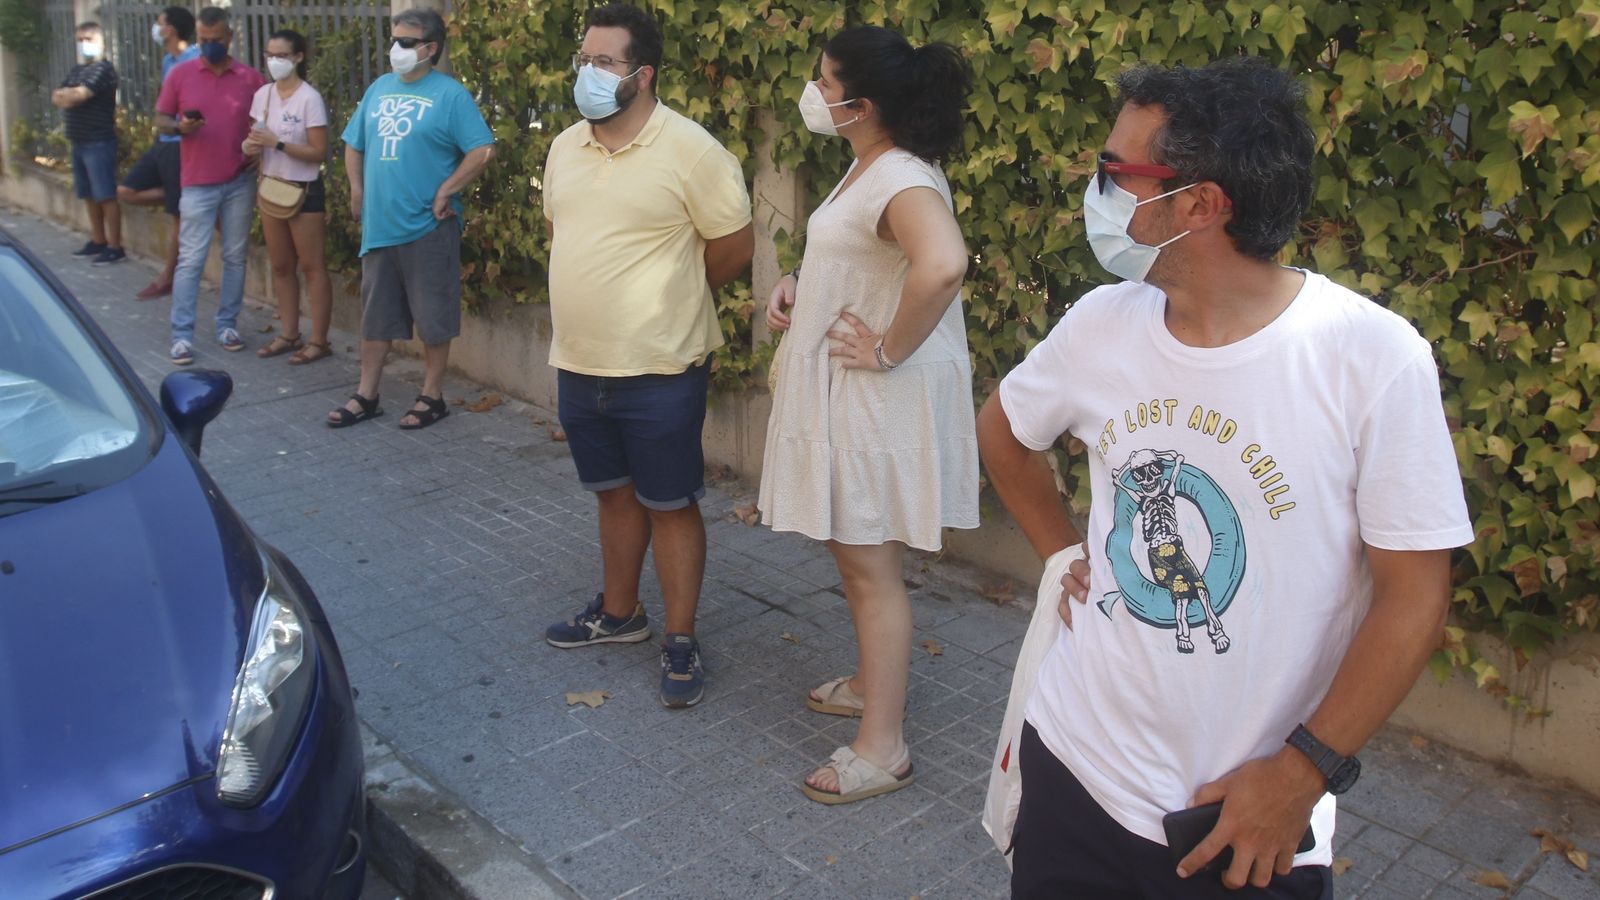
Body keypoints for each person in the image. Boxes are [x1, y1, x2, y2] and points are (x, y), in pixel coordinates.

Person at [976, 59, 1473, 898]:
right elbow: (1004, 431)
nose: (1097, 193)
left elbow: (1415, 598)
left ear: (1201, 204)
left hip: (1243, 826)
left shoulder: (1372, 360)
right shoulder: (1101, 325)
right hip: (1073, 769)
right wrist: (1065, 556)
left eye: (1115, 173)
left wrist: (1302, 774)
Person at [758, 26, 976, 803]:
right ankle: (867, 684)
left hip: (876, 400)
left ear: (864, 103)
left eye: (823, 81)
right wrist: (799, 280)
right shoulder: (870, 168)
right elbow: (858, 254)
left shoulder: (902, 178)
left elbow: (943, 263)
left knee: (870, 565)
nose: (813, 92)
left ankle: (883, 746)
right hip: (855, 398)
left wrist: (886, 350)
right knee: (856, 555)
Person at [539, 3, 753, 710]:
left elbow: (733, 246)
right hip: (580, 361)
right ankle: (621, 614)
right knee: (612, 492)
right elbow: (565, 234)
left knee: (670, 503)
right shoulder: (565, 146)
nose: (588, 74)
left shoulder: (691, 150)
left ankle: (681, 638)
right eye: (584, 60)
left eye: (604, 63)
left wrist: (674, 296)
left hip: (661, 368)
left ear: (643, 74)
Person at [327, 7, 494, 427]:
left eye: (406, 42)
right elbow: (353, 142)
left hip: (428, 226)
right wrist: (357, 187)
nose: (395, 48)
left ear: (430, 48)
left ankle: (431, 396)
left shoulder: (450, 95)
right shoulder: (380, 88)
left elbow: (482, 149)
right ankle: (366, 395)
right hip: (380, 226)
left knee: (434, 318)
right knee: (375, 316)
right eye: (394, 39)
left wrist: (447, 189)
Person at [154, 7, 266, 365]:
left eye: (216, 40)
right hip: (198, 181)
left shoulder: (250, 79)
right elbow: (160, 118)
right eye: (204, 40)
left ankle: (227, 325)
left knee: (235, 256)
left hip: (239, 179)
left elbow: (266, 122)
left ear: (229, 38)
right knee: (191, 260)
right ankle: (181, 336)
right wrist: (178, 128)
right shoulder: (181, 74)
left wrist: (259, 154)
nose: (210, 46)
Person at [243, 29, 334, 365]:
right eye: (269, 55)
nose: (274, 62)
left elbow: (318, 152)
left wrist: (276, 143)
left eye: (281, 55)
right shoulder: (263, 95)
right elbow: (255, 138)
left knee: (312, 266)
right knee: (281, 265)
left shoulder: (309, 98)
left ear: (298, 57)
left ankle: (319, 340)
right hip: (271, 186)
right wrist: (251, 145)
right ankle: (288, 333)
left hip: (303, 189)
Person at [118, 6, 199, 300]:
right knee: (127, 190)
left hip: (182, 145)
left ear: (171, 30)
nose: (155, 27)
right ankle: (187, 199)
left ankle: (167, 276)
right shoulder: (168, 60)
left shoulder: (194, 59)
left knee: (178, 216)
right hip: (163, 141)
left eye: (160, 23)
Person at [52, 22, 124, 266]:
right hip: (79, 141)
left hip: (99, 141)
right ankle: (98, 239)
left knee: (105, 194)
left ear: (101, 41)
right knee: (89, 194)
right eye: (80, 39)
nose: (84, 44)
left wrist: (70, 96)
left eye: (88, 38)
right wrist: (68, 96)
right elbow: (57, 95)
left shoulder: (103, 70)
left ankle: (115, 245)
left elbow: (77, 95)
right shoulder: (78, 70)